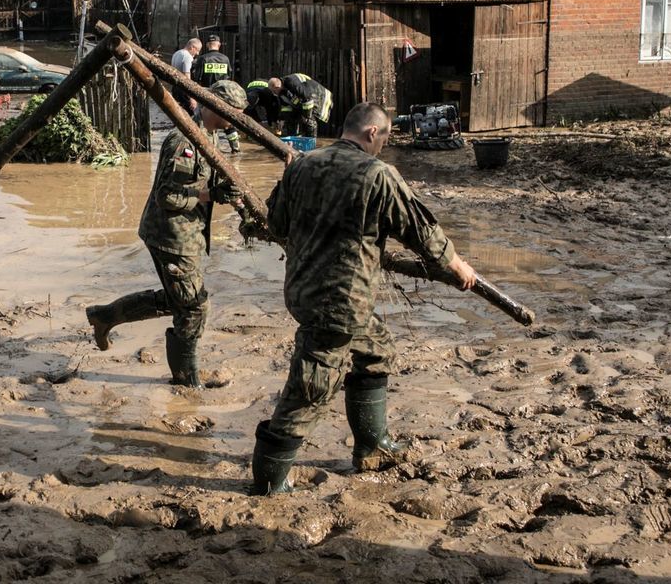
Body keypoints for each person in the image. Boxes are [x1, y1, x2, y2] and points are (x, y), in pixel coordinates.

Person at [249, 103, 477, 494]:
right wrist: (458, 268)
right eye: (385, 139)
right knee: (312, 387)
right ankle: (269, 480)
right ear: (373, 133)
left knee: (375, 351)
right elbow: (422, 232)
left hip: (306, 290)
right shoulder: (377, 174)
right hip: (339, 301)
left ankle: (372, 445)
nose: (384, 147)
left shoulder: (302, 165)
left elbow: (276, 223)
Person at [85, 80, 249, 387]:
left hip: (187, 234)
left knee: (180, 301)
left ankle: (105, 316)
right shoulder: (185, 142)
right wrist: (212, 195)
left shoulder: (208, 135)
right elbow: (168, 197)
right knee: (194, 308)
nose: (238, 118)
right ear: (216, 106)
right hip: (172, 235)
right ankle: (187, 380)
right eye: (235, 112)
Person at [191, 34, 240, 152]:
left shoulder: (202, 59)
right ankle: (235, 147)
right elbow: (229, 77)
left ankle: (210, 147)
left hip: (206, 94)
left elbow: (197, 79)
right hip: (224, 94)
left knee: (204, 121)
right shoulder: (225, 59)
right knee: (227, 122)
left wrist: (194, 97)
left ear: (207, 45)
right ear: (219, 44)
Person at [269, 73, 333, 138]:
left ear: (277, 87)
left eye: (274, 91)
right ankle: (293, 140)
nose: (273, 93)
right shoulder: (282, 90)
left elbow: (307, 98)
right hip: (305, 100)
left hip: (318, 96)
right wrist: (282, 119)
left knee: (309, 121)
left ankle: (310, 142)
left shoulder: (292, 82)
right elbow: (286, 106)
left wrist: (307, 115)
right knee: (291, 120)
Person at [170, 38, 202, 113]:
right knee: (190, 115)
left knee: (179, 113)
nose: (197, 53)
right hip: (184, 91)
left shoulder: (176, 53)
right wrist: (192, 98)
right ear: (192, 47)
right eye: (197, 50)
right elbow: (187, 78)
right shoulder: (187, 57)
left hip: (175, 88)